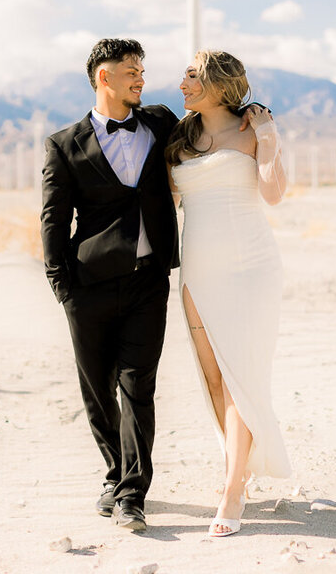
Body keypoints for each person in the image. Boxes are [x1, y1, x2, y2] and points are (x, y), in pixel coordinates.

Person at [39, 38, 179, 532]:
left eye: (142, 70)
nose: (141, 78)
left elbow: (212, 128)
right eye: (131, 71)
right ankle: (114, 474)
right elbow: (53, 220)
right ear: (105, 77)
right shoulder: (64, 143)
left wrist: (254, 109)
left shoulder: (161, 122)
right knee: (97, 390)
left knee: (137, 386)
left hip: (148, 281)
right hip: (89, 285)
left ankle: (132, 494)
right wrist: (62, 286)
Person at [166, 49, 292, 538]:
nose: (181, 84)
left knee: (243, 374)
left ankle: (232, 489)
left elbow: (274, 192)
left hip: (251, 267)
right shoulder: (181, 135)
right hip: (198, 266)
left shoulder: (254, 128)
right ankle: (236, 469)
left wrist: (268, 140)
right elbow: (169, 201)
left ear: (219, 83)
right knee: (215, 377)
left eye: (191, 76)